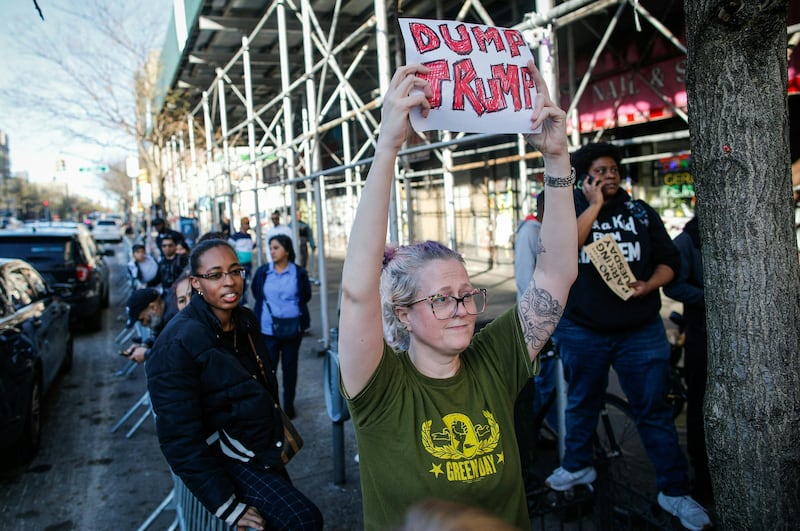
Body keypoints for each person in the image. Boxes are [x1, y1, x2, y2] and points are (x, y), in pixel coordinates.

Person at [337, 61, 578, 530]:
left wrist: (557, 158)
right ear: (403, 314)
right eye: (442, 299)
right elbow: (356, 291)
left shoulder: (495, 360)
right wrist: (387, 146)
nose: (464, 310)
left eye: (466, 295)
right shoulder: (379, 388)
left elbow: (557, 273)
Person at [545, 142, 711, 530]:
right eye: (600, 170)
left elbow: (669, 262)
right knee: (582, 402)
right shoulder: (563, 204)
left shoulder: (640, 211)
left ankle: (674, 490)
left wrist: (649, 284)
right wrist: (594, 206)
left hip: (640, 331)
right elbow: (563, 247)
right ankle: (576, 467)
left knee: (653, 410)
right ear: (584, 177)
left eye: (614, 170)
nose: (609, 176)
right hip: (583, 328)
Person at [146, 239, 323, 530]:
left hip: (258, 448)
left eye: (235, 271)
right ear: (196, 283)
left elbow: (263, 386)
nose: (229, 282)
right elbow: (178, 440)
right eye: (215, 275)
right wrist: (227, 506)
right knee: (303, 520)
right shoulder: (175, 344)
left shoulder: (246, 320)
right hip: (223, 461)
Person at [662, 215, 713, 505]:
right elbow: (672, 285)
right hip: (701, 335)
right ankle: (703, 479)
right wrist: (712, 297)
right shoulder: (687, 239)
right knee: (700, 405)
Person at [513, 192, 559, 470]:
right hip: (539, 321)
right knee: (544, 379)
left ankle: (548, 429)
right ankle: (542, 431)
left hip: (559, 319)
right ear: (541, 209)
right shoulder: (531, 232)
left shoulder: (556, 233)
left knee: (553, 378)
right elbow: (524, 279)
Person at [251, 234, 312, 419]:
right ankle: (272, 405)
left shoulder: (298, 272)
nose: (272, 251)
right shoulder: (263, 272)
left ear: (287, 250)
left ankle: (289, 405)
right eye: (270, 248)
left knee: (290, 369)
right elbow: (256, 292)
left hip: (292, 329)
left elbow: (305, 296)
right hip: (268, 330)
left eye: (276, 248)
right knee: (268, 370)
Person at [122, 288, 172, 364]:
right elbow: (161, 338)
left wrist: (147, 354)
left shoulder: (174, 319)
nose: (143, 325)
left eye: (142, 320)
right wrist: (145, 345)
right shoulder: (165, 315)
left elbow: (175, 354)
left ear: (153, 308)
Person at [229, 216, 256, 303]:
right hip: (241, 265)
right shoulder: (235, 237)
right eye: (246, 223)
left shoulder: (249, 236)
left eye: (248, 223)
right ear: (242, 224)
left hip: (248, 264)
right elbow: (229, 248)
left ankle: (244, 299)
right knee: (242, 282)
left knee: (247, 282)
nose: (248, 225)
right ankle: (242, 300)